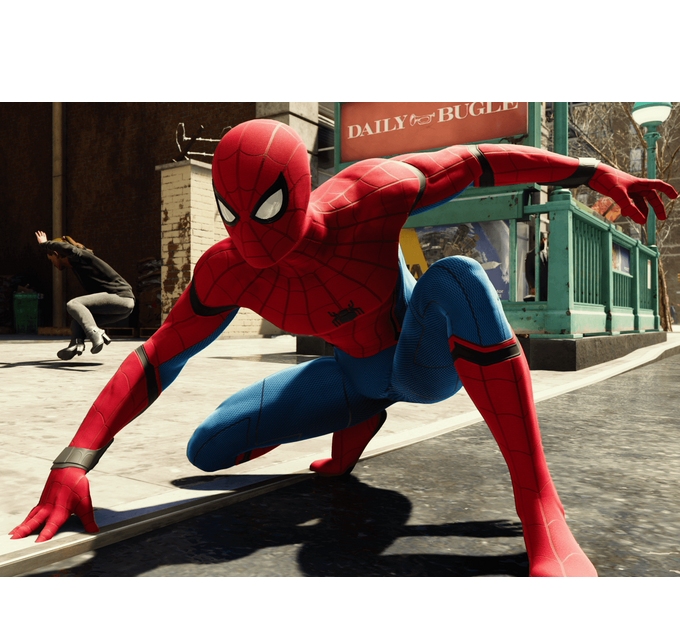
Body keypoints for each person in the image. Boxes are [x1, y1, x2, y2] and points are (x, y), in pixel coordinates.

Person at [12, 120, 677, 577]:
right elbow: (159, 356)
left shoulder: (373, 195)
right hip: (352, 378)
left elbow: (480, 160)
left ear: (300, 189)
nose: (253, 238)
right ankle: (356, 425)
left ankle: (542, 512)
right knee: (206, 452)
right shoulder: (226, 270)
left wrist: (593, 171)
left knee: (460, 278)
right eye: (233, 215)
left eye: (266, 210)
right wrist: (75, 461)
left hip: (417, 364)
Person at [35, 231, 135, 359]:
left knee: (73, 304)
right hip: (122, 307)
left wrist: (45, 244)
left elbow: (68, 248)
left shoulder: (80, 256)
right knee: (77, 320)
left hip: (120, 297)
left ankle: (95, 332)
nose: (53, 264)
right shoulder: (77, 264)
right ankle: (76, 344)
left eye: (51, 260)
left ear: (56, 254)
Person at [524, 233, 548, 301]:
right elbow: (529, 273)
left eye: (542, 240)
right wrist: (533, 287)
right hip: (539, 288)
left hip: (550, 287)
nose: (541, 242)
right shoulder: (530, 255)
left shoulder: (550, 253)